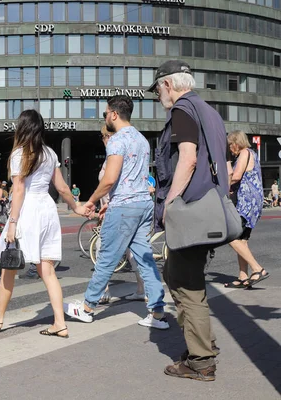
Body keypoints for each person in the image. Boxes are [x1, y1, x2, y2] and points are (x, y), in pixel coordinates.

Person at [0, 109, 83, 338]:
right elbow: (62, 187)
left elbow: (19, 190)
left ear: (21, 127)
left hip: (28, 211)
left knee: (9, 266)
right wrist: (76, 207)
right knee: (48, 269)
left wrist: (12, 222)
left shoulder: (19, 154)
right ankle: (60, 323)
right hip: (47, 208)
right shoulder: (50, 153)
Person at [150, 60, 224, 380]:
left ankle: (201, 360)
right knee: (182, 275)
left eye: (157, 89)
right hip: (208, 209)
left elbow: (189, 158)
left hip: (190, 210)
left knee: (184, 281)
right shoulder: (210, 111)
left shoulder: (182, 109)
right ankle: (202, 343)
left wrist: (169, 202)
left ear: (168, 84)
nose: (158, 97)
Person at [68, 95, 167, 331]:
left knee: (106, 258)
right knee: (144, 259)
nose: (105, 117)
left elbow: (110, 178)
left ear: (113, 114)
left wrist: (91, 200)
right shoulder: (142, 139)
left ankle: (88, 307)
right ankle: (158, 312)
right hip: (143, 204)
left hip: (124, 206)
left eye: (105, 114)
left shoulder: (117, 140)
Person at [95, 124, 147, 304]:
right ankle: (143, 288)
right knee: (132, 251)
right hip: (117, 210)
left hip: (115, 210)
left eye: (106, 136)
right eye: (104, 137)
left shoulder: (115, 156)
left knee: (103, 251)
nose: (104, 140)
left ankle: (101, 292)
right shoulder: (114, 156)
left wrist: (92, 202)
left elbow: (109, 182)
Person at [225, 130, 268, 289]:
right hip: (253, 201)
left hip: (246, 202)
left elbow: (235, 176)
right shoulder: (252, 153)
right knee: (242, 239)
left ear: (236, 142)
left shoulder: (244, 153)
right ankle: (243, 275)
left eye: (230, 145)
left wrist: (221, 185)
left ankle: (258, 269)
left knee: (230, 236)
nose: (230, 148)